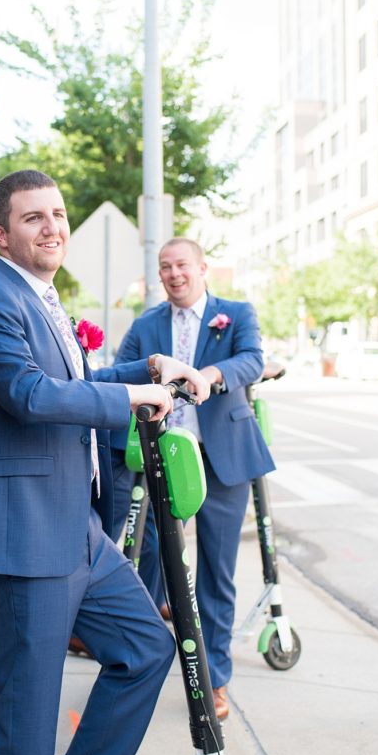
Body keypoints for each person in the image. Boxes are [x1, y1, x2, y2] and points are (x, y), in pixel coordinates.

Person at [0, 170, 209, 755]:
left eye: (57, 214)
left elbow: (79, 380)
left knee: (144, 647)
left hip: (75, 530)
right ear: (2, 233)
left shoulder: (42, 298)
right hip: (21, 535)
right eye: (33, 218)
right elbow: (30, 395)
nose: (51, 226)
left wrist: (144, 369)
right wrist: (132, 397)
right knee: (28, 708)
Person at [109, 238, 274, 722]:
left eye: (181, 265)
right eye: (165, 267)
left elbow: (252, 361)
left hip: (223, 458)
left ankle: (214, 679)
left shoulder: (236, 313)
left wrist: (210, 375)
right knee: (153, 565)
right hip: (166, 459)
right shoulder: (146, 325)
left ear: (202, 268)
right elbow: (122, 373)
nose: (174, 274)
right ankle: (141, 661)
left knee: (216, 573)